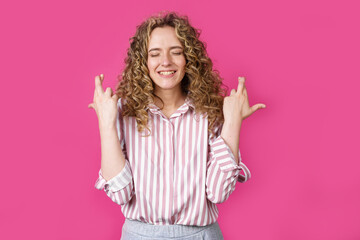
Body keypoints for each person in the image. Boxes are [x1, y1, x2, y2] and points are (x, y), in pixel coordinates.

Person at [88, 11, 266, 240]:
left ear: (189, 58)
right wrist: (106, 123)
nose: (166, 62)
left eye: (176, 52)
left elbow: (219, 192)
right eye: (155, 54)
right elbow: (121, 194)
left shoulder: (212, 112)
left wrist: (232, 122)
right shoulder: (122, 112)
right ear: (143, 61)